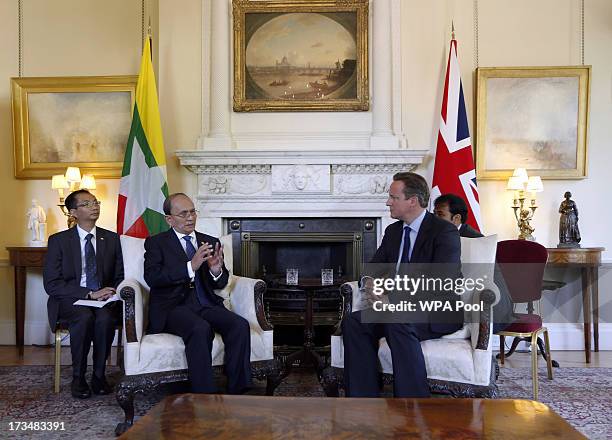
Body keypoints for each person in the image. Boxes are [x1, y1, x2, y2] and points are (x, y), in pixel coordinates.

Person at [342, 172, 462, 398]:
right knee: (354, 322)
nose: (388, 202)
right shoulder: (393, 231)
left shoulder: (443, 232)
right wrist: (369, 284)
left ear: (412, 201)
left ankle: (412, 405)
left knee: (399, 319)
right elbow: (373, 269)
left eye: (393, 197)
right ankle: (362, 399)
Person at [144, 193, 251, 394]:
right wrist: (190, 266)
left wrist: (215, 270)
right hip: (173, 307)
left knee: (239, 325)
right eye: (183, 214)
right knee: (200, 328)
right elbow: (153, 278)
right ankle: (204, 394)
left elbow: (222, 282)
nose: (190, 217)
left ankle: (239, 390)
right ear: (169, 219)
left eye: (193, 211)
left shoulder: (209, 241)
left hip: (205, 302)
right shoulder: (156, 243)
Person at [43, 190, 124, 399]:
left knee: (105, 319)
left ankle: (98, 376)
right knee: (84, 316)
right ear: (73, 212)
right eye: (87, 203)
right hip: (72, 300)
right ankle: (78, 377)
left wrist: (112, 291)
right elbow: (52, 284)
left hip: (104, 300)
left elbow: (120, 274)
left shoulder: (112, 239)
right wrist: (89, 294)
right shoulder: (58, 241)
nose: (94, 206)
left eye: (95, 202)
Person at [433, 193, 514, 333]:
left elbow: (468, 280)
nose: (434, 219)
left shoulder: (474, 241)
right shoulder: (446, 236)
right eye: (434, 213)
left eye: (440, 214)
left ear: (456, 218)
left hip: (492, 308)